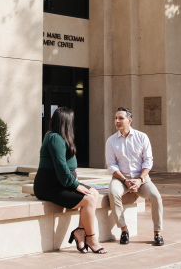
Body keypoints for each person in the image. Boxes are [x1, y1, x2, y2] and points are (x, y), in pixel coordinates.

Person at [34, 107, 107, 254]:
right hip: (50, 186)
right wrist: (75, 185)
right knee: (88, 199)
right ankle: (91, 238)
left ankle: (80, 231)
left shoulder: (61, 138)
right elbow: (61, 167)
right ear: (66, 122)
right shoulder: (54, 138)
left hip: (61, 183)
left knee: (94, 192)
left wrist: (76, 183)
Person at [105, 107, 164, 246]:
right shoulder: (111, 141)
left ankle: (158, 233)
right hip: (121, 179)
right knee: (113, 193)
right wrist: (125, 181)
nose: (117, 121)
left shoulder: (142, 137)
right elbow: (111, 165)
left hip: (142, 178)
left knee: (156, 197)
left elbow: (148, 161)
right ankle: (124, 230)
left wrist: (140, 180)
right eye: (116, 118)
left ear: (129, 120)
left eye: (121, 118)